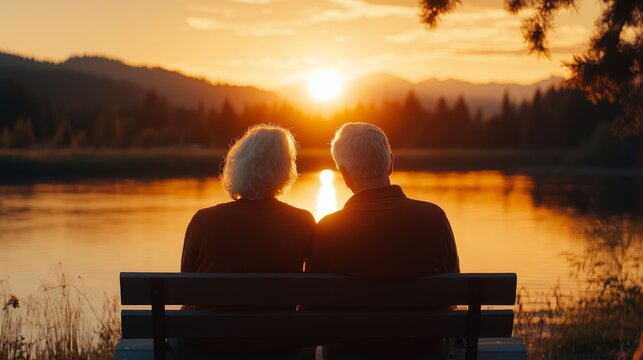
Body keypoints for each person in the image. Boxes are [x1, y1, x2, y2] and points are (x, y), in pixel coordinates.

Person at [309, 122, 460, 359]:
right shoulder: (433, 217)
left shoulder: (328, 229)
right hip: (423, 353)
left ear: (345, 174)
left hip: (349, 355)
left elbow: (312, 307)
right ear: (390, 162)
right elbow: (453, 292)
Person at [172, 124, 316, 360]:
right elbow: (311, 292)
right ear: (286, 169)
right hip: (277, 347)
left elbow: (187, 289)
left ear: (237, 164)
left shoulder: (204, 220)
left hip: (207, 346)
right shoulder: (303, 222)